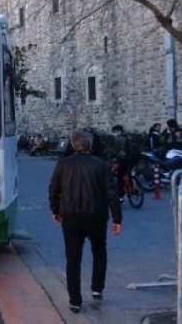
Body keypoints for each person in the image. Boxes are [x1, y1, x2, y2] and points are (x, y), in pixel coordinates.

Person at [49, 130, 122, 314]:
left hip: (71, 217)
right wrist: (117, 218)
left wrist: (56, 210)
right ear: (90, 145)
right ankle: (97, 288)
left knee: (73, 259)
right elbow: (112, 194)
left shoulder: (62, 165)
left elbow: (53, 190)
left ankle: (75, 301)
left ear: (73, 145)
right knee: (99, 253)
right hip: (96, 216)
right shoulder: (102, 165)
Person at [110, 125, 134, 201]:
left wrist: (112, 157)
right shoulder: (128, 137)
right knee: (128, 175)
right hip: (131, 160)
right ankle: (131, 189)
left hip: (123, 160)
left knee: (120, 178)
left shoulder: (118, 139)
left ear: (117, 131)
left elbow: (115, 151)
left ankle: (120, 196)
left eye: (114, 132)